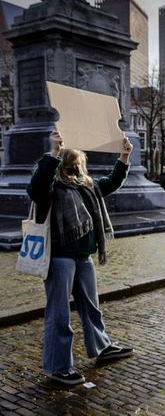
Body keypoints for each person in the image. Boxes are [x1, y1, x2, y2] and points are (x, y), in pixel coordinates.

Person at [27, 131, 134, 386]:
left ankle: (102, 347)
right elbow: (36, 188)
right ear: (62, 164)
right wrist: (52, 153)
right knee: (59, 313)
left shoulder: (83, 184)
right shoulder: (51, 186)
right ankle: (59, 366)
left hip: (83, 257)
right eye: (71, 163)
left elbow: (109, 183)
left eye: (78, 163)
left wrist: (124, 156)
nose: (76, 167)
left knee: (91, 307)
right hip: (60, 257)